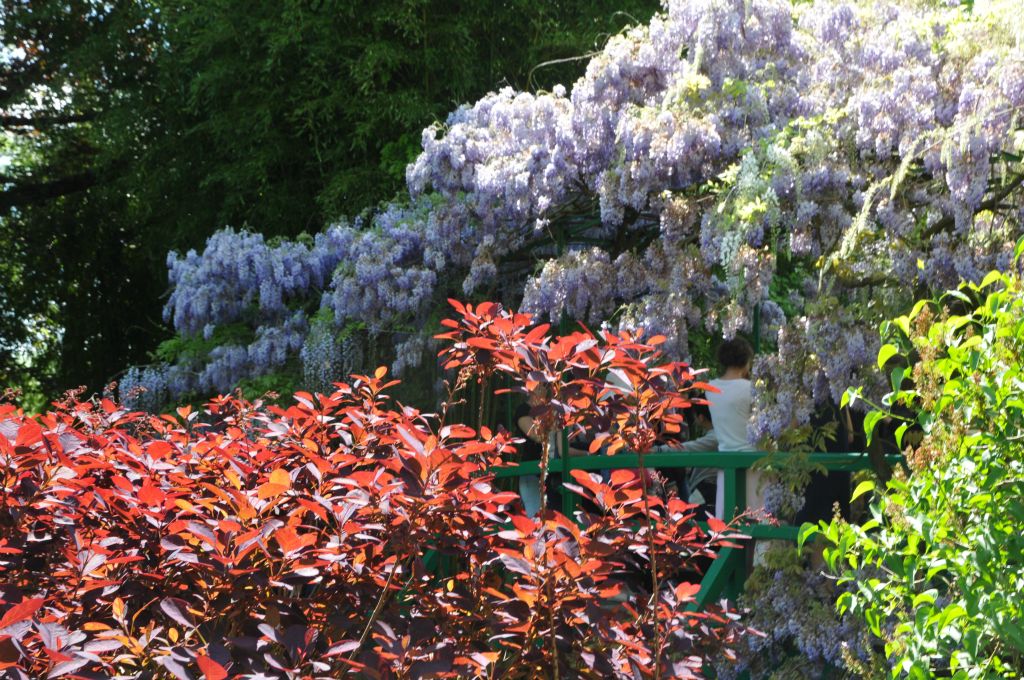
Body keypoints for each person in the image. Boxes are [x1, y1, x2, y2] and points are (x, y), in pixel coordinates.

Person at [704, 336, 755, 519]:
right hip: (754, 465)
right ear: (746, 361)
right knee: (760, 527)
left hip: (726, 468)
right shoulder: (751, 388)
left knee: (729, 527)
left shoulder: (709, 388)